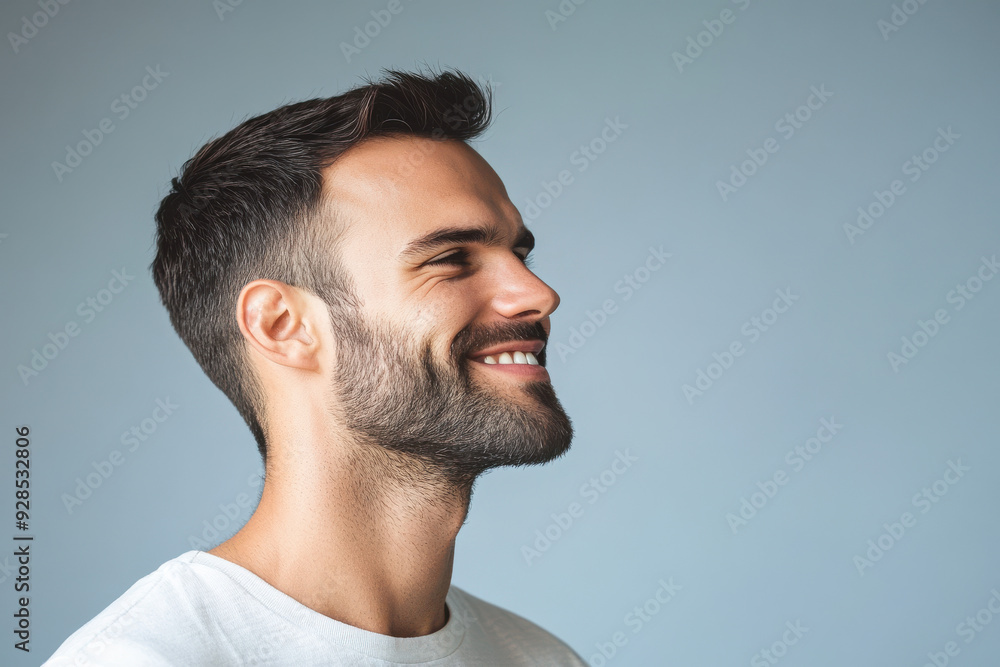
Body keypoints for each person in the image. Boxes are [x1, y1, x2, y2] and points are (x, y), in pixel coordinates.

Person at [44, 68, 586, 665]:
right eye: (452, 258)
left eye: (518, 252)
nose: (537, 293)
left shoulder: (539, 657)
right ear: (284, 326)